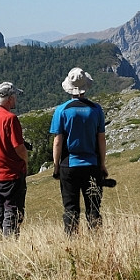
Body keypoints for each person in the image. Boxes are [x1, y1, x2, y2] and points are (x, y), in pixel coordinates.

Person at [50, 67, 108, 235]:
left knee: (71, 208)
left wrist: (56, 166)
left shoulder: (61, 110)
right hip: (92, 164)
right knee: (94, 208)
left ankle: (72, 244)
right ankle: (96, 242)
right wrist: (102, 164)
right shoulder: (96, 109)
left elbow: (58, 142)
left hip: (69, 165)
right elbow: (101, 139)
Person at [0, 82, 28, 240]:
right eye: (14, 96)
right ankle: (10, 247)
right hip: (12, 174)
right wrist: (25, 160)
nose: (16, 99)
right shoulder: (10, 119)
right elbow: (19, 147)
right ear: (9, 99)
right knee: (12, 212)